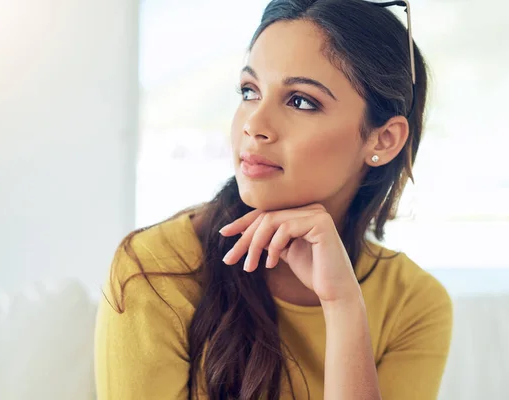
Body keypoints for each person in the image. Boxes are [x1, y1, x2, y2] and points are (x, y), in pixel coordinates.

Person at [94, 0, 453, 399]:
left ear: (383, 140)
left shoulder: (414, 304)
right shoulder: (154, 271)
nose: (254, 125)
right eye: (250, 91)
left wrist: (344, 308)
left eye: (301, 100)